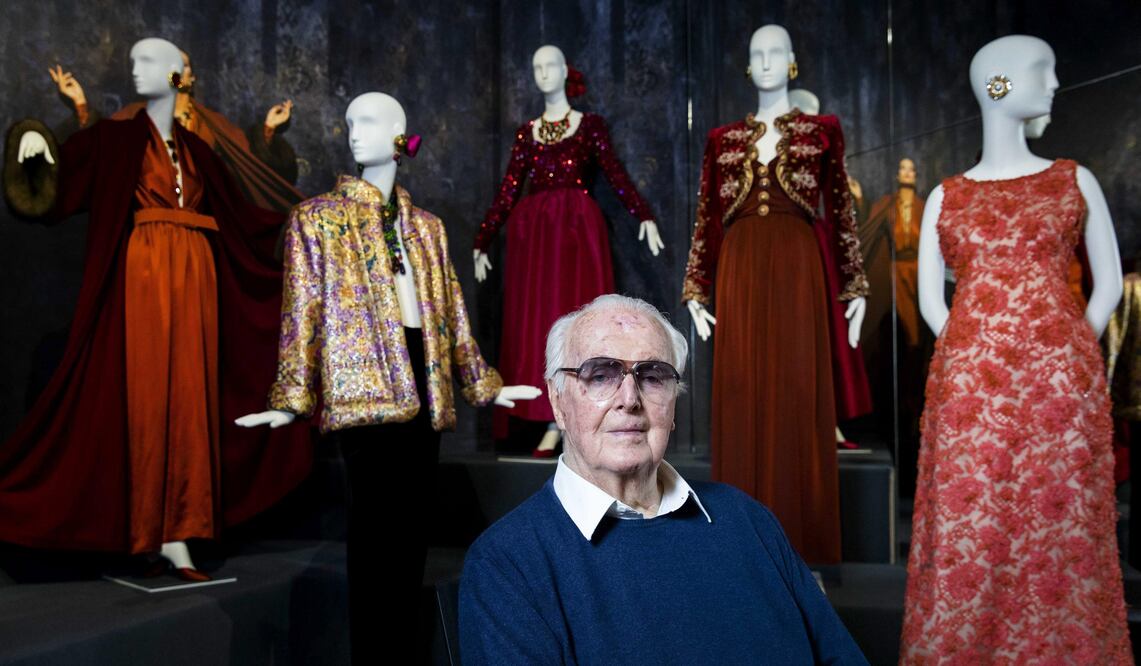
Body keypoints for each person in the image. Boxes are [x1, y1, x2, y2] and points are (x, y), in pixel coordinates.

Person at [236, 92, 539, 664]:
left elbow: (450, 312)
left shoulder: (427, 227)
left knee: (409, 540)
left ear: (401, 134)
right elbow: (302, 311)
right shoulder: (317, 218)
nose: (354, 132)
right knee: (374, 538)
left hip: (424, 379)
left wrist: (483, 383)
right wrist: (292, 395)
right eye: (350, 122)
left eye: (369, 121)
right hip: (363, 386)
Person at [0, 37, 311, 577]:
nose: (135, 69)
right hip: (144, 274)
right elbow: (65, 179)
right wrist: (34, 144)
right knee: (146, 396)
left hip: (199, 277)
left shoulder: (201, 151)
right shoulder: (118, 138)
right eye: (134, 60)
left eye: (149, 61)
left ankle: (180, 529)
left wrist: (305, 229)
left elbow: (243, 217)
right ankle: (145, 526)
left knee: (193, 397)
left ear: (177, 75)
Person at [459, 294, 868, 664]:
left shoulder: (748, 520)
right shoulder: (506, 565)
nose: (629, 399)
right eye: (600, 375)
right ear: (558, 401)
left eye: (652, 376)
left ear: (674, 404)